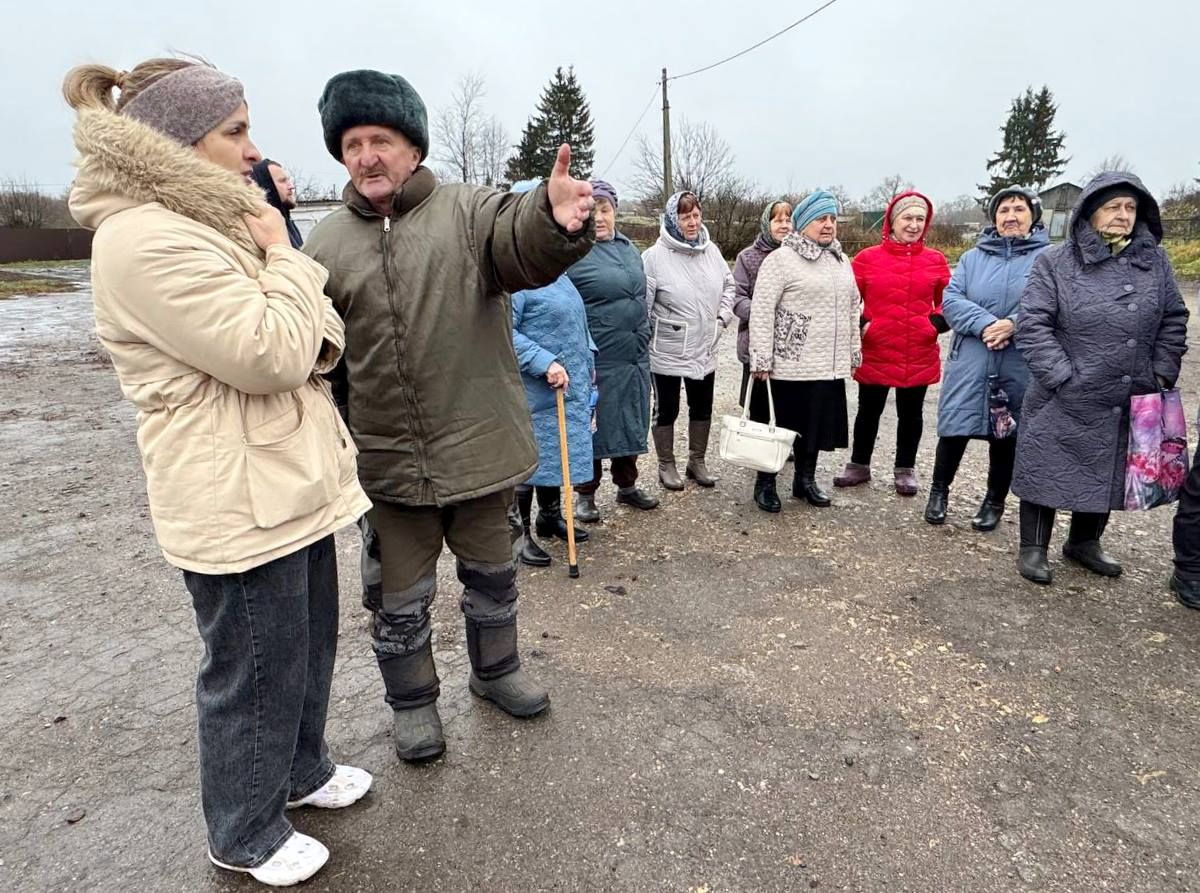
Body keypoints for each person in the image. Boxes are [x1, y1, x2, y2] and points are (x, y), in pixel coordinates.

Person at [63, 57, 372, 887]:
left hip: (287, 476)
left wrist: (286, 282)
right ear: (174, 144)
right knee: (253, 668)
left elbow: (319, 337)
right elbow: (273, 352)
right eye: (233, 131)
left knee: (305, 646)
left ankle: (301, 774)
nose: (251, 149)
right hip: (233, 495)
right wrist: (285, 259)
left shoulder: (210, 221)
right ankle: (243, 830)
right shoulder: (141, 238)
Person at [303, 69, 594, 763]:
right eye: (351, 143)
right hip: (386, 463)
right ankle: (413, 706)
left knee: (492, 577)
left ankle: (496, 673)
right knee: (397, 601)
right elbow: (307, 346)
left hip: (481, 451)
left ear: (412, 147)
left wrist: (550, 218)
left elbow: (519, 240)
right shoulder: (324, 245)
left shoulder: (467, 211)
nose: (366, 155)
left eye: (380, 139)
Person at [1013, 172, 1188, 585]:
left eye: (1130, 208)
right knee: (1046, 465)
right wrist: (1061, 375)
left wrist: (1161, 370)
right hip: (1065, 391)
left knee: (1107, 467)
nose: (1122, 215)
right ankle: (1033, 547)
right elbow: (1033, 324)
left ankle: (1083, 542)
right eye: (1113, 207)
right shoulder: (1055, 262)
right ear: (1089, 213)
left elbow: (1174, 317)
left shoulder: (1155, 261)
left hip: (1127, 389)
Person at [924, 187, 1050, 530]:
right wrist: (987, 325)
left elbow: (1052, 305)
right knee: (954, 428)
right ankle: (938, 492)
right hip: (973, 357)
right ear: (994, 218)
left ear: (1032, 216)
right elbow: (952, 300)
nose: (1011, 216)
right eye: (1004, 210)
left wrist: (1015, 324)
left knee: (1005, 434)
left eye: (1019, 209)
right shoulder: (972, 258)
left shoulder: (1048, 260)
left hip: (1018, 359)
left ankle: (994, 500)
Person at [748, 190, 861, 511]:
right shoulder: (781, 259)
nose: (828, 226)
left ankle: (805, 480)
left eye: (832, 219)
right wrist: (761, 357)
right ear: (803, 223)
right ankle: (766, 483)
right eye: (820, 219)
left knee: (815, 425)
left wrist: (854, 348)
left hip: (827, 362)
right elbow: (762, 310)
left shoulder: (840, 259)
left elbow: (854, 306)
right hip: (789, 363)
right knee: (779, 426)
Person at [834, 192, 950, 496]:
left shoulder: (935, 261)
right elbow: (847, 298)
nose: (913, 225)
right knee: (868, 410)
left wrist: (935, 324)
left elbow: (951, 301)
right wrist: (861, 325)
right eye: (907, 218)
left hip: (918, 349)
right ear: (892, 221)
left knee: (910, 413)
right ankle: (859, 464)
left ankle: (905, 468)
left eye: (919, 219)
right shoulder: (867, 259)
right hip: (877, 347)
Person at [508, 180, 595, 566]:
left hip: (568, 383)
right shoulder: (513, 276)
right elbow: (502, 332)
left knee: (558, 454)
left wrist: (589, 363)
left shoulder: (557, 272)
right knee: (529, 459)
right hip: (533, 387)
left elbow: (577, 321)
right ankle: (517, 535)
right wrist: (544, 361)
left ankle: (549, 517)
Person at [565, 179, 659, 522]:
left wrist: (645, 333)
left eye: (605, 210)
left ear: (615, 212)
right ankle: (586, 494)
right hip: (597, 357)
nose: (600, 218)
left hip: (632, 355)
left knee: (630, 420)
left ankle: (627, 485)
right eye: (593, 211)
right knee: (594, 423)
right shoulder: (575, 252)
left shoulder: (628, 248)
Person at [642, 190, 735, 490]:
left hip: (705, 341)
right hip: (668, 346)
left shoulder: (712, 251)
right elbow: (644, 303)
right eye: (685, 217)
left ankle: (697, 460)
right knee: (667, 407)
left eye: (696, 215)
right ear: (673, 219)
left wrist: (722, 318)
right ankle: (665, 464)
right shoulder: (654, 257)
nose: (693, 222)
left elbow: (729, 286)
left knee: (702, 405)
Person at [733, 200, 793, 401]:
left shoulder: (799, 257)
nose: (784, 225)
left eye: (788, 220)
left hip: (790, 348)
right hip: (755, 344)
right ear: (767, 224)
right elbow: (737, 297)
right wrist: (763, 313)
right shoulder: (747, 257)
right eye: (778, 220)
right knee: (758, 409)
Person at [250, 158, 303, 248]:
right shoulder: (264, 232)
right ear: (267, 186)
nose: (291, 186)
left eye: (288, 180)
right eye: (282, 181)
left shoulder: (288, 225)